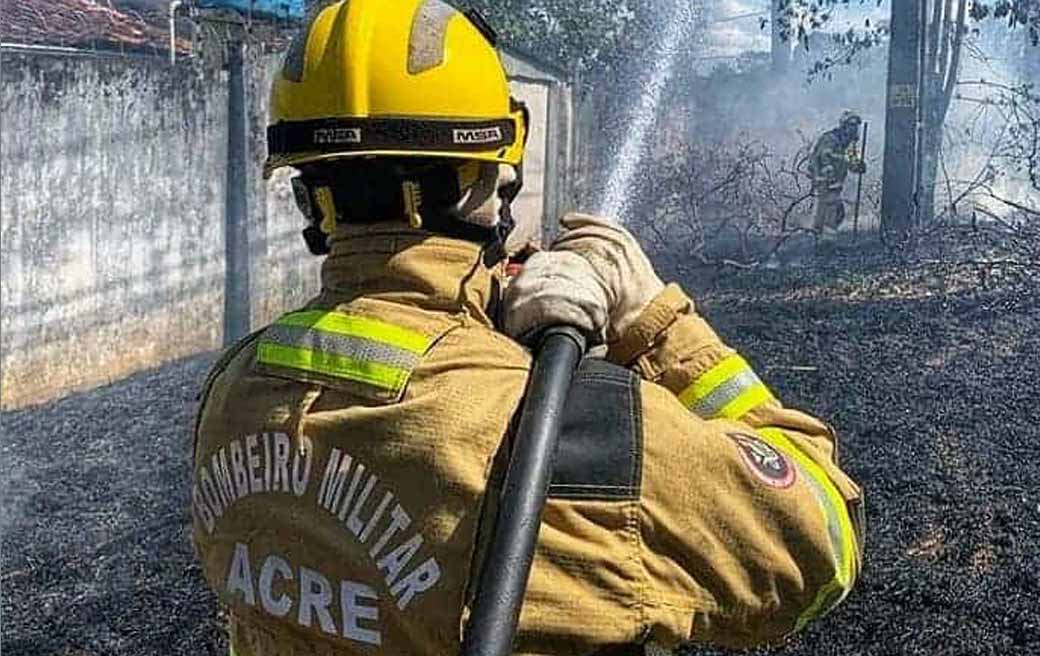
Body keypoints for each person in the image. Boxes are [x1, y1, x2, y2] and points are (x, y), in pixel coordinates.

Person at [190, 1, 866, 654]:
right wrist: (655, 322)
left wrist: (483, 324)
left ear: (308, 193)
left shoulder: (232, 394)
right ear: (485, 183)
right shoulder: (579, 434)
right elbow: (823, 542)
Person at [808, 111, 867, 241]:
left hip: (836, 181)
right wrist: (842, 161)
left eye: (856, 125)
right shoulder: (830, 138)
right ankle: (824, 242)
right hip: (824, 179)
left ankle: (820, 238)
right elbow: (824, 156)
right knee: (830, 210)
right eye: (851, 125)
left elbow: (852, 162)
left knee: (837, 212)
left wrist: (859, 166)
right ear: (844, 125)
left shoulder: (849, 143)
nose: (854, 128)